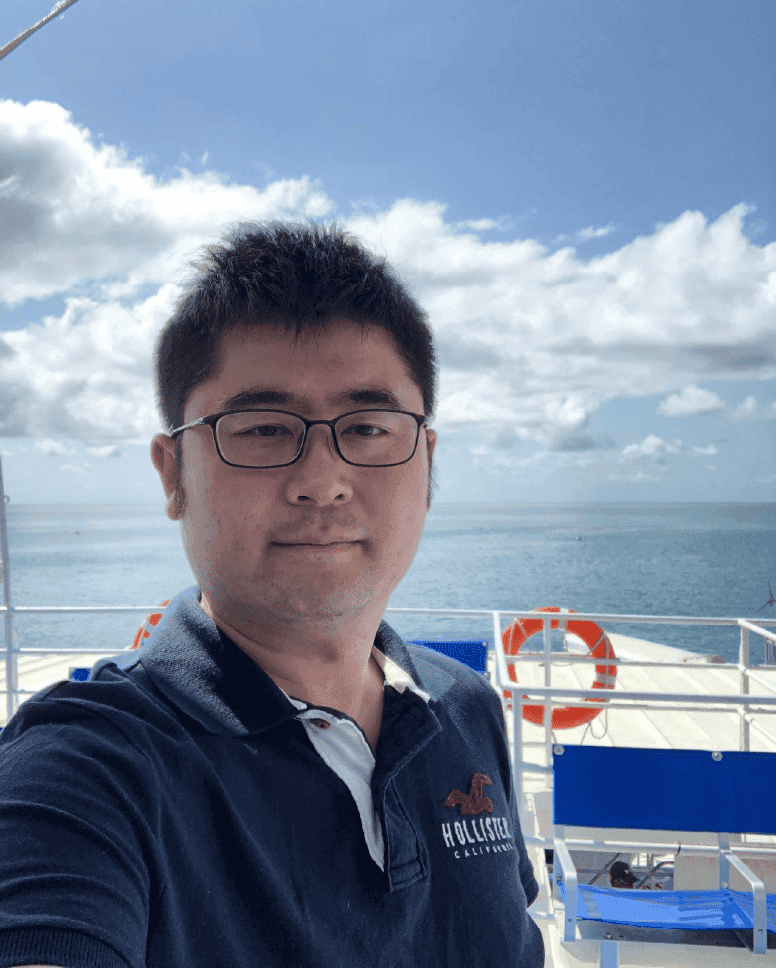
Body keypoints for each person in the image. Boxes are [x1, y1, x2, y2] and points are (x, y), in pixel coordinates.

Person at [0, 222, 544, 968]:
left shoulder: (466, 709)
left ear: (427, 461)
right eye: (259, 429)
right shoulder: (89, 772)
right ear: (173, 475)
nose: (322, 478)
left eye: (369, 426)